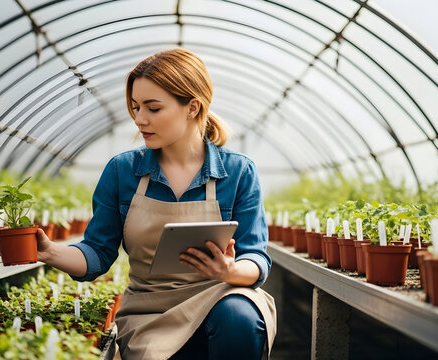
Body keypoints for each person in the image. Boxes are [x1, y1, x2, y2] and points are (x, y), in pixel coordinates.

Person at [35, 48, 276, 360]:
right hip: (149, 310)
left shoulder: (239, 172)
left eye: (153, 108)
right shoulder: (122, 171)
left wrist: (229, 271)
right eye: (135, 107)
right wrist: (50, 252)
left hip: (219, 295)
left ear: (192, 107)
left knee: (238, 317)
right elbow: (98, 252)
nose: (139, 119)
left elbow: (255, 258)